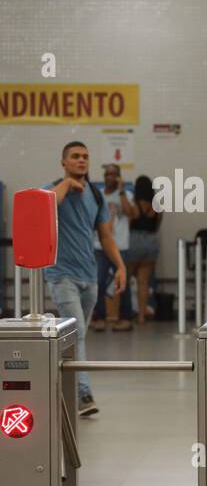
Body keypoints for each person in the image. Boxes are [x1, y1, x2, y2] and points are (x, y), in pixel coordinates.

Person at [47, 142, 127, 416]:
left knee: (75, 338)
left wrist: (120, 266)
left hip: (89, 277)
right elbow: (47, 207)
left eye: (85, 157)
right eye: (75, 157)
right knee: (77, 334)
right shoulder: (54, 190)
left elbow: (105, 236)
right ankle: (83, 395)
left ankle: (62, 389)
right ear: (64, 162)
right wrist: (67, 185)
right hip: (62, 275)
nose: (81, 161)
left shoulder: (95, 194)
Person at [90, 163, 134, 331]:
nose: (110, 177)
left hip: (121, 244)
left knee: (123, 282)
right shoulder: (98, 195)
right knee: (98, 281)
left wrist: (122, 191)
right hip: (99, 245)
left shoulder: (126, 195)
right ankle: (99, 317)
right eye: (107, 174)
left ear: (119, 177)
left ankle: (126, 318)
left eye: (114, 174)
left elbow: (132, 213)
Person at [124, 175, 162, 324]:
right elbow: (157, 226)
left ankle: (125, 313)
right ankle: (141, 316)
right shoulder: (157, 207)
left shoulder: (135, 206)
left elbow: (127, 223)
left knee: (126, 278)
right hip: (152, 241)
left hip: (135, 240)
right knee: (144, 281)